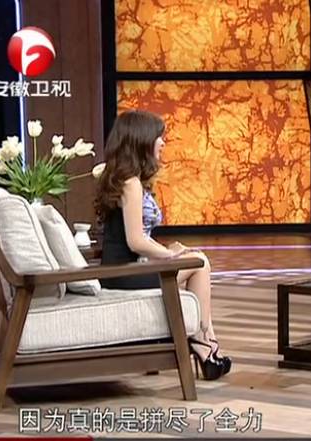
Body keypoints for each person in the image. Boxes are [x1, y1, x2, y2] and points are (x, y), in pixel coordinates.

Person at [94, 110, 231, 380]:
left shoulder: (126, 179)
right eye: (159, 137)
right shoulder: (130, 183)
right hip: (124, 273)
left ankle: (205, 342)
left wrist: (170, 251)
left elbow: (136, 237)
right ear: (142, 140)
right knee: (200, 263)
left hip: (129, 268)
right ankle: (203, 342)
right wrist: (168, 255)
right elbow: (135, 241)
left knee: (195, 257)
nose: (163, 143)